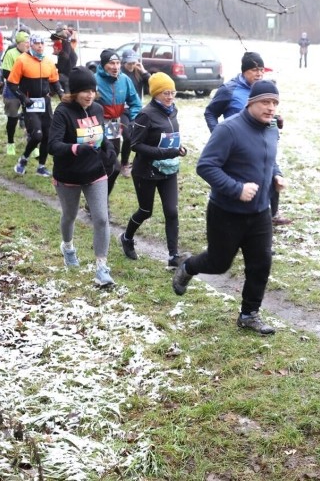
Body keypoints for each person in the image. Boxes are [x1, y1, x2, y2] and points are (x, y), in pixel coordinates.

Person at [172, 80, 287, 335]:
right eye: (266, 102)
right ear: (251, 102)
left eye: (275, 103)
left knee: (261, 264)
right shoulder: (229, 129)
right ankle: (188, 267)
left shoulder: (270, 128)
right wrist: (237, 189)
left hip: (260, 213)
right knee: (218, 263)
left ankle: (248, 314)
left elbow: (268, 157)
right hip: (226, 213)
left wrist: (276, 175)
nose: (271, 108)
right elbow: (205, 166)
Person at [48, 66, 117, 287]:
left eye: (93, 90)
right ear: (75, 91)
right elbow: (53, 145)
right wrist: (77, 149)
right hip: (68, 174)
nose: (90, 95)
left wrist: (108, 147)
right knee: (70, 215)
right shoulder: (63, 112)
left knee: (101, 218)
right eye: (85, 91)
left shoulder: (96, 109)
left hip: (95, 172)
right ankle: (68, 247)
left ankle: (102, 269)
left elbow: (100, 134)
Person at [120, 73, 186, 268]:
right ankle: (127, 237)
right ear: (156, 93)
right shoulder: (145, 114)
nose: (170, 96)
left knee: (172, 212)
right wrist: (165, 152)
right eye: (166, 93)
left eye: (173, 92)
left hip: (168, 170)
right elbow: (135, 145)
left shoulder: (173, 111)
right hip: (145, 171)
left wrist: (179, 149)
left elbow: (171, 137)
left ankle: (174, 257)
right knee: (145, 211)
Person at [7, 33, 64, 177]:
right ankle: (23, 159)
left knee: (47, 135)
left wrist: (61, 93)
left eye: (42, 43)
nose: (40, 46)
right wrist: (23, 99)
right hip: (30, 102)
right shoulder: (22, 60)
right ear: (30, 44)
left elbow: (54, 81)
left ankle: (41, 166)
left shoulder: (48, 61)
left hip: (45, 102)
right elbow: (12, 84)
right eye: (36, 43)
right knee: (37, 135)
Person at [94, 49, 142, 197]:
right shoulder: (94, 80)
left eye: (118, 63)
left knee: (112, 167)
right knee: (107, 166)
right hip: (97, 126)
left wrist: (133, 119)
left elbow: (135, 103)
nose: (115, 67)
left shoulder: (124, 80)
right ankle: (97, 201)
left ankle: (100, 201)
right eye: (111, 63)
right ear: (103, 65)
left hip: (114, 125)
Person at [204, 51, 265, 132]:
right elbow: (210, 113)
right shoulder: (228, 90)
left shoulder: (264, 89)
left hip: (258, 142)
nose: (259, 74)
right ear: (244, 71)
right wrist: (218, 136)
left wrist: (275, 122)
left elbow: (265, 116)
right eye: (254, 70)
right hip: (236, 142)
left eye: (261, 70)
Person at [119, 49, 150, 177]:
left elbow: (152, 84)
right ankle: (124, 164)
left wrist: (144, 72)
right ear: (123, 62)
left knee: (140, 136)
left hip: (136, 109)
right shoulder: (119, 73)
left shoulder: (138, 72)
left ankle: (139, 162)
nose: (131, 66)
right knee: (127, 136)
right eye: (128, 63)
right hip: (122, 110)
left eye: (133, 63)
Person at [0, 32, 31, 155]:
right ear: (18, 43)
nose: (28, 45)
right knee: (12, 118)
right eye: (25, 43)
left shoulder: (31, 54)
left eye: (29, 42)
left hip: (28, 90)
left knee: (30, 118)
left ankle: (32, 144)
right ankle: (10, 143)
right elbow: (6, 74)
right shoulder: (11, 53)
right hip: (12, 90)